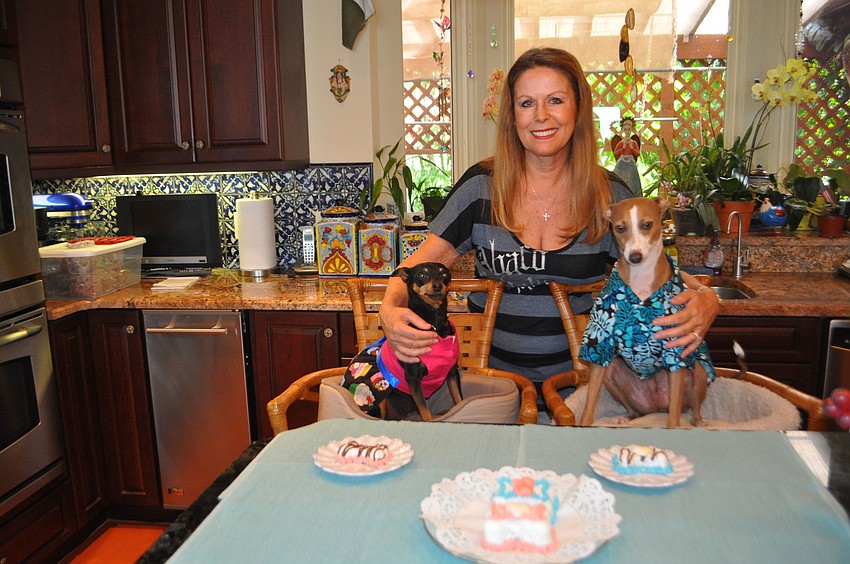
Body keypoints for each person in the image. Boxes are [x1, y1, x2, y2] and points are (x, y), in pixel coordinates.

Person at [378, 47, 719, 387]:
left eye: (555, 100)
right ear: (512, 116)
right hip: (489, 386)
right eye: (527, 103)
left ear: (579, 108)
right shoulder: (480, 187)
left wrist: (707, 300)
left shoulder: (609, 196)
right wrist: (389, 311)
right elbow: (407, 272)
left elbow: (662, 277)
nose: (541, 115)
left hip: (583, 387)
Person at [611, 115, 642, 196]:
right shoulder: (621, 142)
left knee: (632, 180)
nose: (627, 131)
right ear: (622, 130)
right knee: (620, 178)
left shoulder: (633, 142)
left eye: (629, 129)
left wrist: (632, 148)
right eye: (625, 129)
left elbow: (638, 153)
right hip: (622, 162)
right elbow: (616, 153)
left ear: (631, 129)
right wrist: (622, 148)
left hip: (631, 162)